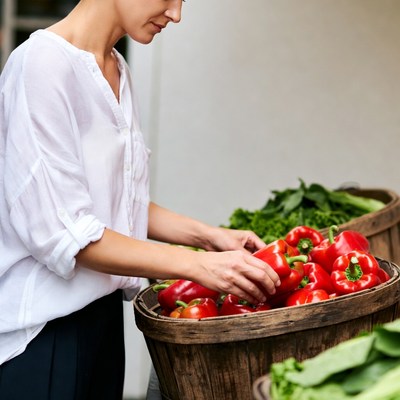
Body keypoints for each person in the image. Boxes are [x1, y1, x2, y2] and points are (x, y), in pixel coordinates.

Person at [0, 0, 280, 399]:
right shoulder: (41, 65)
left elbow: (118, 201)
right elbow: (68, 232)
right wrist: (197, 265)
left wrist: (208, 236)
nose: (176, 14)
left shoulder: (115, 68)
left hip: (104, 319)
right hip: (44, 335)